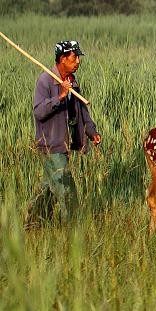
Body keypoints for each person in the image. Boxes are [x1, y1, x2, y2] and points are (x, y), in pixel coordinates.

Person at [30, 39, 101, 220]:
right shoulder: (45, 81)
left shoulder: (71, 81)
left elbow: (82, 112)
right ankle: (74, 230)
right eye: (74, 57)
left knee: (48, 188)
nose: (78, 61)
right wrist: (60, 97)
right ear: (62, 59)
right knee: (67, 189)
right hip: (51, 145)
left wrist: (91, 132)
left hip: (65, 144)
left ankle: (33, 223)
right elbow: (38, 112)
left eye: (78, 57)